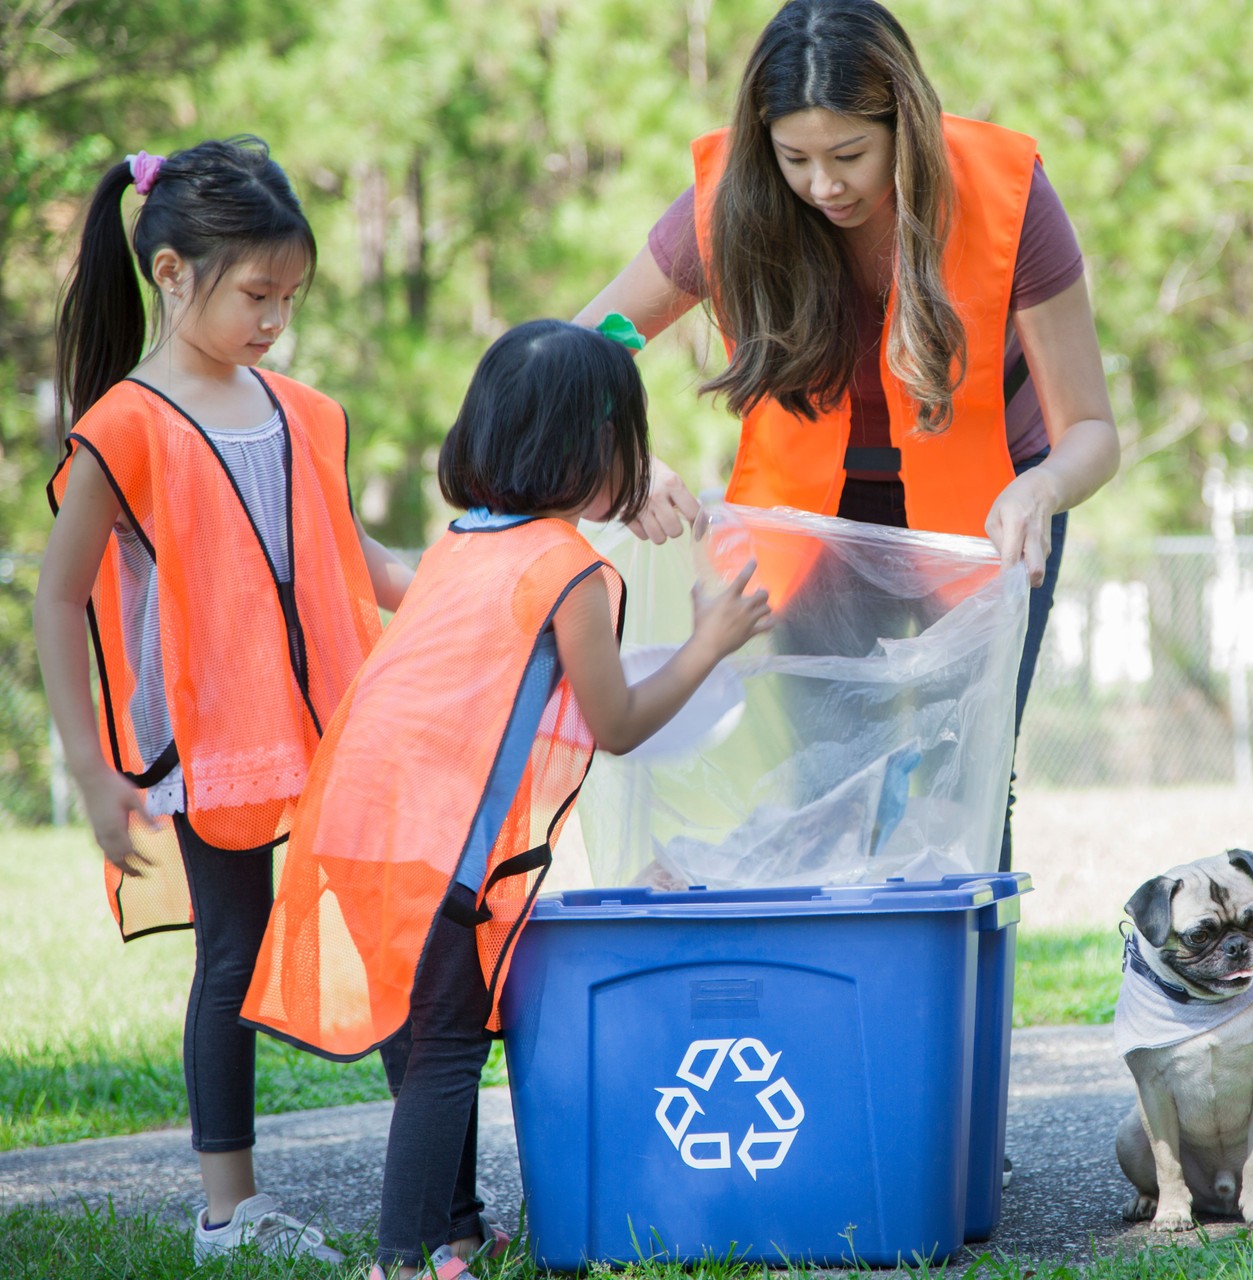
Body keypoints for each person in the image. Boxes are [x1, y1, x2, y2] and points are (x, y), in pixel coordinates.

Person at [240, 320, 773, 1279]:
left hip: (354, 825)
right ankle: (404, 1261)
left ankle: (454, 1231)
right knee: (446, 1050)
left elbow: (399, 597)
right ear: (599, 450)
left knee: (416, 1045)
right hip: (437, 844)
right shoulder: (568, 569)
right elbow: (614, 722)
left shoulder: (461, 545)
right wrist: (709, 642)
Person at [576, 0, 1120, 870]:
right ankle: (836, 1000)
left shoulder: (1009, 194)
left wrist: (1043, 487)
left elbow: (1091, 430)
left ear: (904, 126)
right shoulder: (735, 204)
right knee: (825, 772)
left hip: (989, 513)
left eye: (850, 155)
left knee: (964, 778)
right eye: (796, 158)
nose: (824, 185)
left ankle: (955, 1003)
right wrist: (620, 456)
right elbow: (589, 343)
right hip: (812, 523)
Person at [34, 137, 411, 1264]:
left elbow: (356, 559)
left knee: (395, 933)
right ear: (173, 273)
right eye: (258, 293)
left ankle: (433, 1188)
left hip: (338, 721)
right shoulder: (126, 426)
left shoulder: (303, 408)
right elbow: (57, 600)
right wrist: (95, 767)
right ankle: (227, 1211)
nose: (274, 320)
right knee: (234, 948)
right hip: (214, 736)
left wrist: (479, 565)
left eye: (290, 298)